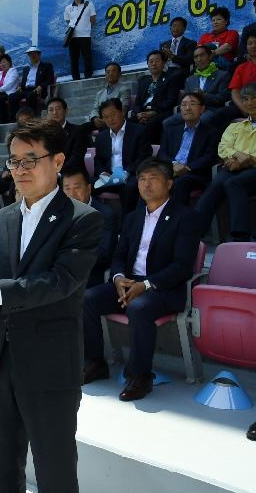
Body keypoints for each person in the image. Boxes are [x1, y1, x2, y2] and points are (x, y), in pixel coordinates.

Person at [0, 119, 103, 493]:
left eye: (31, 160)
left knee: (55, 467)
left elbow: (60, 281)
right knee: (3, 464)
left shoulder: (82, 219)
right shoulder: (3, 217)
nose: (20, 170)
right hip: (1, 358)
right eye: (14, 161)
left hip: (49, 363)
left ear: (59, 160)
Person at [83, 158, 200, 401]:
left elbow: (182, 267)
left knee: (139, 307)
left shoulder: (185, 217)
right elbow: (119, 256)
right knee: (88, 299)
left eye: (153, 178)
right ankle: (96, 362)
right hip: (129, 283)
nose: (146, 184)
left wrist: (145, 285)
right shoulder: (133, 217)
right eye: (142, 179)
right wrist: (118, 279)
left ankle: (141, 376)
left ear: (169, 183)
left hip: (164, 288)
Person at [194, 82, 256, 241]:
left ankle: (240, 236)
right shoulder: (236, 126)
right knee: (216, 185)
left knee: (234, 183)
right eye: (245, 99)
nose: (249, 102)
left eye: (254, 98)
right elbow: (223, 146)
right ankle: (193, 234)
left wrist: (249, 159)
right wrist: (238, 157)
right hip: (235, 166)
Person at [157, 91, 219, 205]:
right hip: (172, 170)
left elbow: (210, 157)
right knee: (148, 180)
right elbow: (162, 153)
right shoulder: (171, 131)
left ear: (202, 109)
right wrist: (174, 164)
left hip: (195, 174)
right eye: (184, 104)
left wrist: (186, 168)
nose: (187, 108)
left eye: (192, 104)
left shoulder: (211, 132)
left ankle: (179, 220)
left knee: (180, 183)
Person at [93, 98, 152, 214]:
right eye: (106, 117)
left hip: (129, 176)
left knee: (130, 187)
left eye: (113, 114)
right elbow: (98, 160)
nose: (110, 119)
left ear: (122, 112)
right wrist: (103, 173)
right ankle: (97, 221)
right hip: (109, 177)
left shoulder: (139, 131)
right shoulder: (101, 137)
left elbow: (143, 157)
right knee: (85, 184)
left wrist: (126, 172)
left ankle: (127, 225)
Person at [62, 166, 117, 288]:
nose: (72, 194)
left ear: (88, 189)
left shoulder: (105, 215)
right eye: (67, 189)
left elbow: (104, 254)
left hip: (89, 275)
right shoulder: (58, 214)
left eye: (77, 188)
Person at [164, 45, 231, 130]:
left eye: (202, 55)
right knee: (167, 123)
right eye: (196, 57)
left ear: (210, 56)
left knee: (201, 121)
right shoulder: (190, 79)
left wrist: (204, 96)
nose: (199, 59)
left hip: (210, 109)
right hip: (191, 110)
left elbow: (223, 98)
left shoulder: (222, 75)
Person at [212, 29, 256, 132]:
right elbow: (235, 91)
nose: (253, 46)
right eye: (250, 43)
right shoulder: (241, 67)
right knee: (218, 117)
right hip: (244, 106)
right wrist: (244, 107)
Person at [131, 50, 178, 143]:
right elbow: (137, 102)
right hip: (143, 112)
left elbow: (170, 101)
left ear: (163, 63)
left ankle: (150, 151)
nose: (154, 64)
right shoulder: (143, 81)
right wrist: (139, 113)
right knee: (127, 122)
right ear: (147, 64)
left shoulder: (171, 79)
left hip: (160, 112)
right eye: (151, 62)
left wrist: (154, 112)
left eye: (157, 61)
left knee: (151, 124)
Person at [45, 97, 90, 171]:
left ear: (66, 111)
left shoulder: (78, 131)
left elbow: (77, 158)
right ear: (47, 114)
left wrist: (58, 173)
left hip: (70, 174)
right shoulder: (44, 135)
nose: (54, 112)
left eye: (58, 109)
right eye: (51, 110)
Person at [10, 46, 56, 115]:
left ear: (39, 55)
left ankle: (32, 117)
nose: (32, 56)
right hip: (25, 90)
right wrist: (20, 87)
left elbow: (50, 80)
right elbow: (24, 82)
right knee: (11, 97)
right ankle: (14, 118)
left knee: (30, 95)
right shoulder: (26, 68)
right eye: (30, 55)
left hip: (37, 89)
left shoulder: (46, 66)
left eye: (34, 54)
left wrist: (41, 86)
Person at [64, 0, 96, 80]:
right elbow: (67, 20)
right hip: (73, 37)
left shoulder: (89, 4)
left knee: (87, 57)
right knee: (74, 59)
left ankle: (88, 76)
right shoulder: (68, 8)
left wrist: (86, 28)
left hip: (85, 36)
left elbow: (93, 19)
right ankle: (75, 78)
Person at [0, 54, 19, 122]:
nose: (2, 64)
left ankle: (2, 121)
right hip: (0, 93)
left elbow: (9, 84)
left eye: (4, 62)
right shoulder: (0, 73)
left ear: (9, 63)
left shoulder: (13, 71)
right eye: (0, 63)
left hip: (10, 94)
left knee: (0, 100)